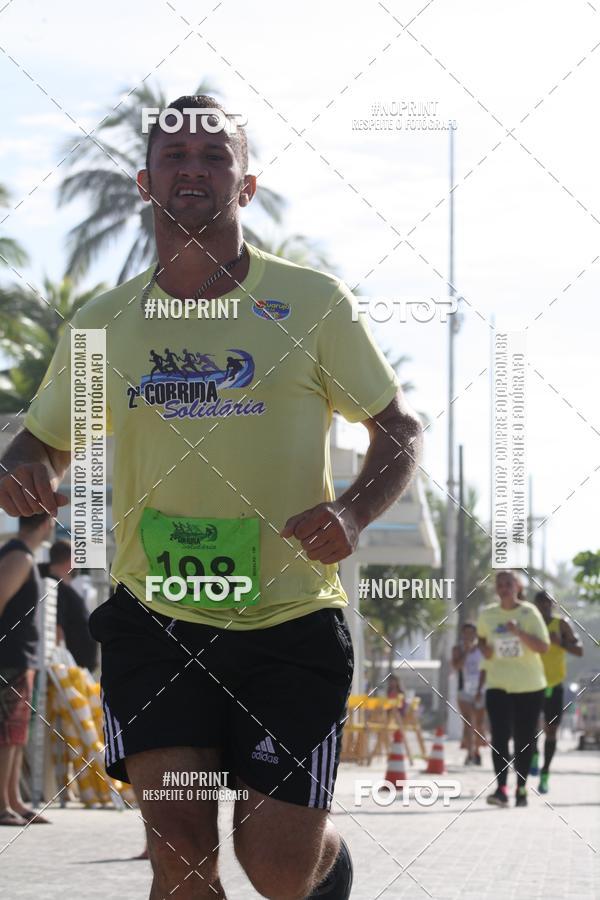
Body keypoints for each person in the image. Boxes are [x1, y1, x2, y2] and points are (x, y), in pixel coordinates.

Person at [0, 94, 423, 898]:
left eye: (214, 156)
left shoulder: (310, 303)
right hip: (157, 623)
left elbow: (397, 428)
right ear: (144, 182)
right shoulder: (106, 324)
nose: (193, 169)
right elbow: (46, 436)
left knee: (275, 868)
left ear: (248, 183)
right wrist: (26, 464)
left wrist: (352, 510)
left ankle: (324, 865)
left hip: (289, 624)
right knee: (181, 859)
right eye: (175, 157)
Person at [477, 570, 550, 808]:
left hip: (529, 686)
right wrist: (484, 649)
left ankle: (521, 788)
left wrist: (519, 632)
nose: (504, 587)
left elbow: (543, 647)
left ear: (518, 587)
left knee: (524, 739)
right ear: (496, 589)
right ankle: (501, 789)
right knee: (499, 737)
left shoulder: (529, 613)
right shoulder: (488, 614)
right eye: (500, 584)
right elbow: (482, 640)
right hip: (498, 684)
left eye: (509, 583)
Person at [0, 513, 53, 826]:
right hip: (9, 657)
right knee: (6, 733)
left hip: (20, 658)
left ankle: (14, 800)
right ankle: (2, 805)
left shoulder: (23, 555)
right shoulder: (18, 556)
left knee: (16, 733)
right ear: (46, 522)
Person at [530, 589, 583, 793]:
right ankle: (533, 753)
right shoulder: (531, 625)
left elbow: (579, 650)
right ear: (534, 605)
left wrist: (560, 643)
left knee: (551, 731)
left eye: (547, 603)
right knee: (532, 726)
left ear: (552, 604)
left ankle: (545, 772)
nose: (544, 607)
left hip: (554, 684)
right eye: (540, 603)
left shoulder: (561, 624)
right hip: (533, 683)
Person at [39, 540, 99, 672]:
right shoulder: (54, 587)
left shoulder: (61, 587)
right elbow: (56, 628)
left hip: (76, 670)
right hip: (68, 670)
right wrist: (62, 666)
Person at [452, 622, 485, 765]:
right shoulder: (457, 649)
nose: (468, 636)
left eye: (471, 633)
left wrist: (480, 689)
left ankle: (477, 751)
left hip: (480, 689)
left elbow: (486, 669)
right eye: (466, 633)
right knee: (468, 722)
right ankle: (470, 753)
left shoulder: (482, 650)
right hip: (464, 690)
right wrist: (465, 652)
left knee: (479, 723)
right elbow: (455, 666)